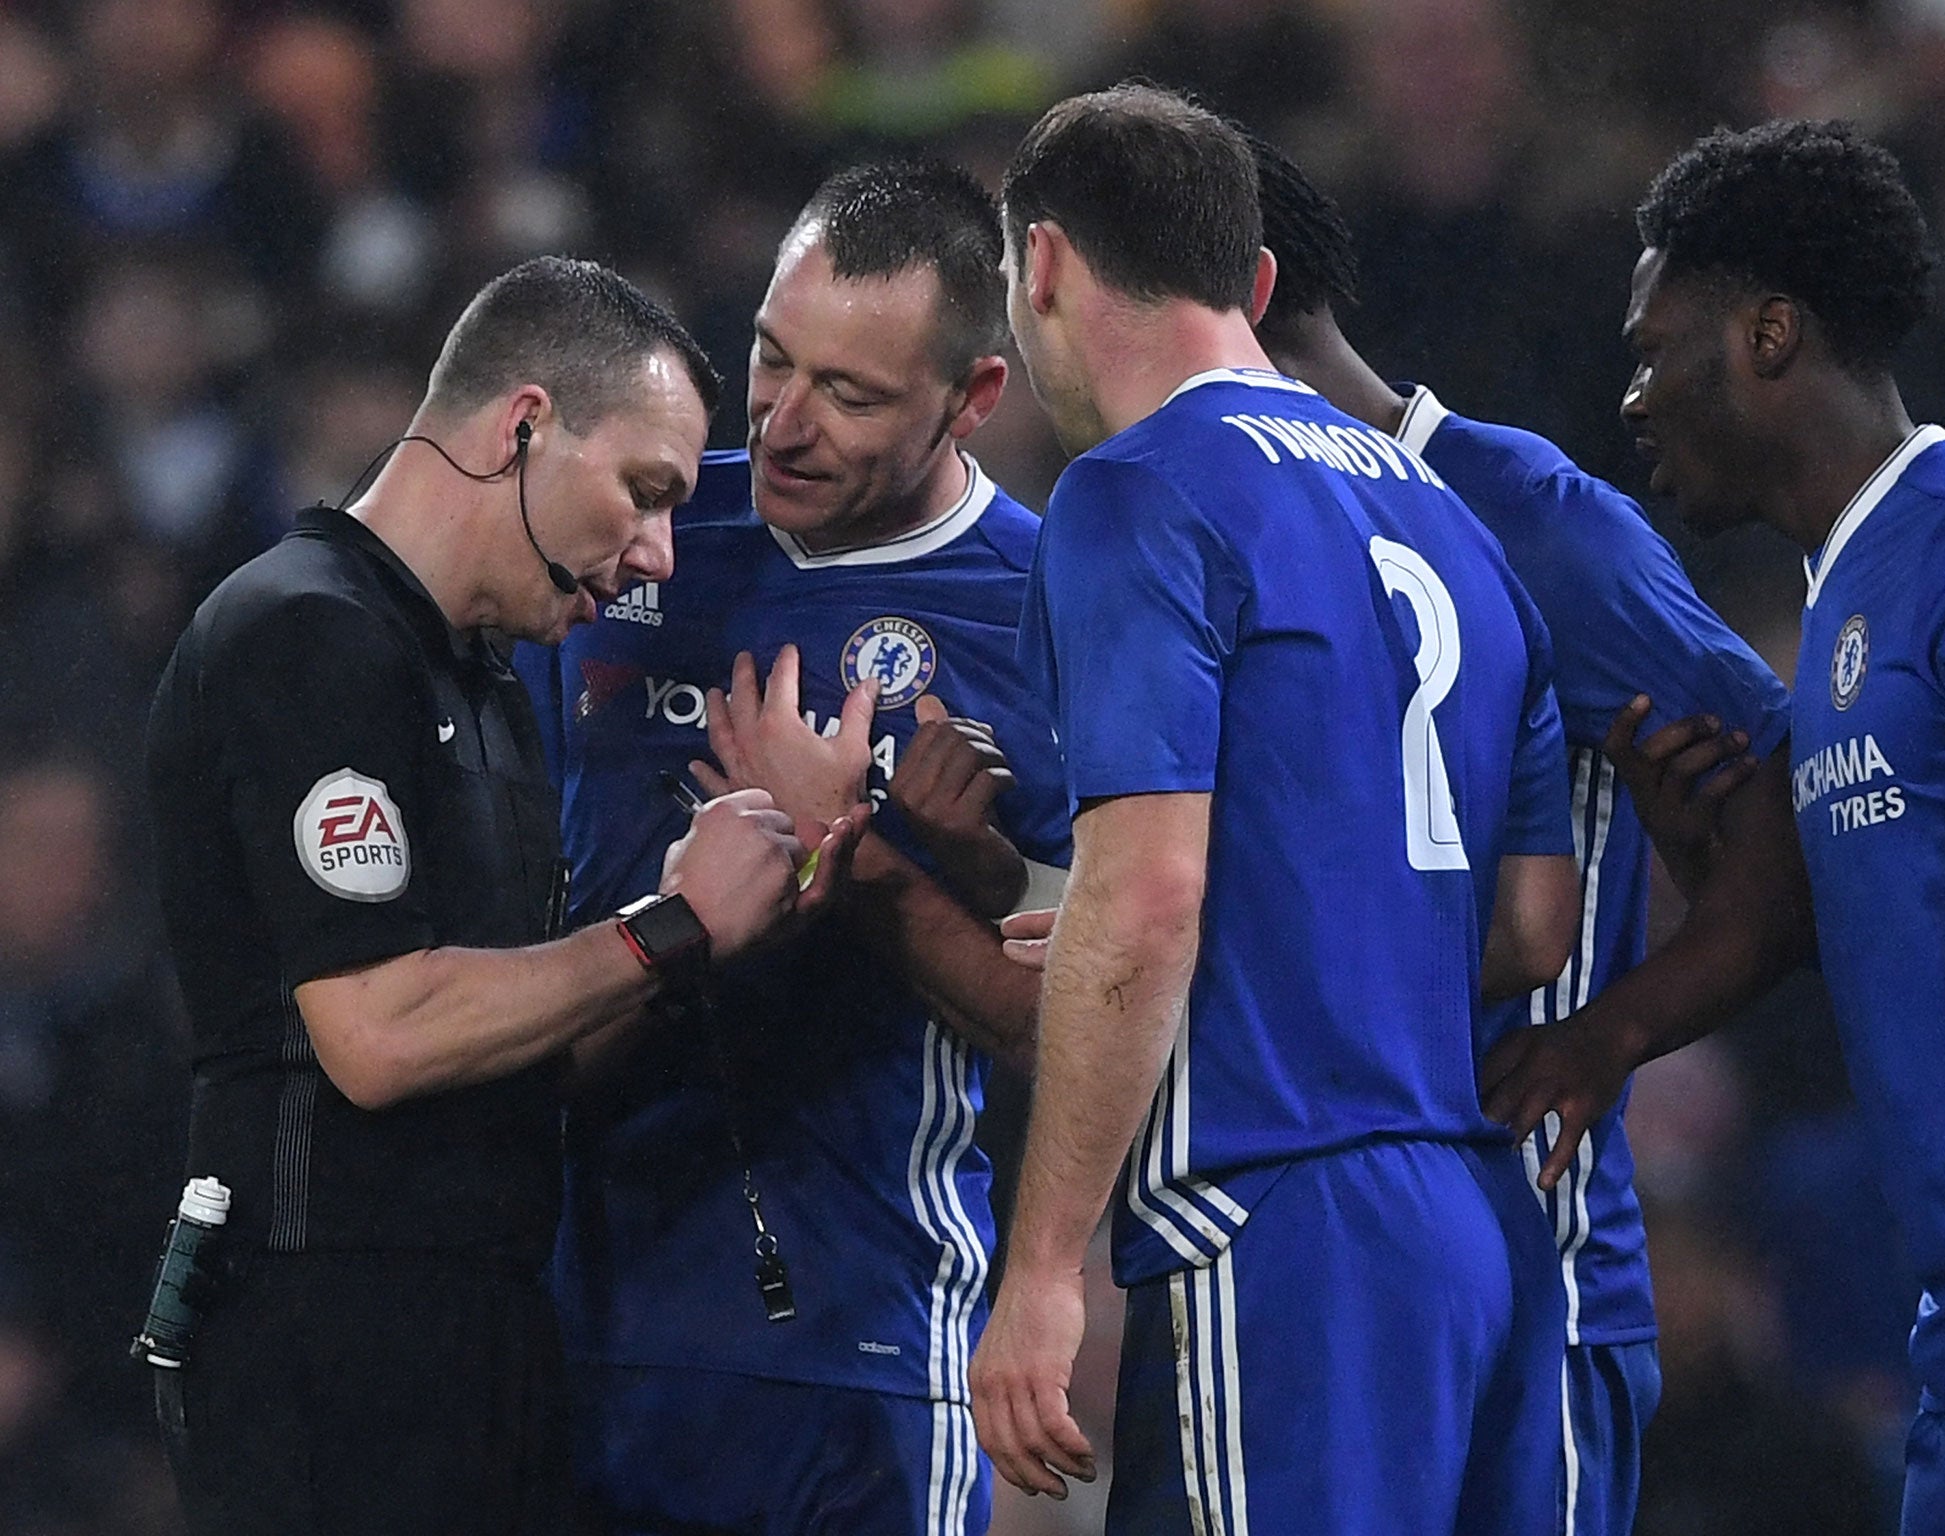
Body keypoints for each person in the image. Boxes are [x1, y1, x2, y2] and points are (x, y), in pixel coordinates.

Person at [143, 255, 860, 1536]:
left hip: (486, 1327)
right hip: (324, 1341)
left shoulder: (488, 689)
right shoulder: (301, 633)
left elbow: (530, 1049)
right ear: (522, 424)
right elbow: (380, 1033)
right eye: (642, 494)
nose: (650, 557)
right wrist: (667, 923)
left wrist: (737, 910)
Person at [971, 83, 1584, 1535]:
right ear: (1253, 282)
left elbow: (1147, 896)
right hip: (1479, 1231)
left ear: (1042, 265)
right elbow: (1532, 922)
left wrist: (1046, 1267)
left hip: (1282, 1229)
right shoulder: (1450, 519)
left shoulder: (1134, 498)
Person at [1246, 135, 1812, 1536]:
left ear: (1225, 302)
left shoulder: (1538, 523)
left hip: (1529, 1272)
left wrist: (1608, 1030)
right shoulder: (1211, 535)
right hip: (1305, 1269)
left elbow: (1791, 821)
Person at [521, 160, 1068, 1535]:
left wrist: (899, 863)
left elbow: (1098, 1014)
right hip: (557, 1311)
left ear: (975, 397)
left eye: (853, 394)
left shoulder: (1054, 610)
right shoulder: (636, 530)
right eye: (771, 359)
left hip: (855, 1340)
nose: (785, 424)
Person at [1616, 118, 1945, 1534]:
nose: (1635, 399)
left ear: (1771, 333)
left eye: (1655, 348)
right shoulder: (1845, 606)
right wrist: (1733, 882)